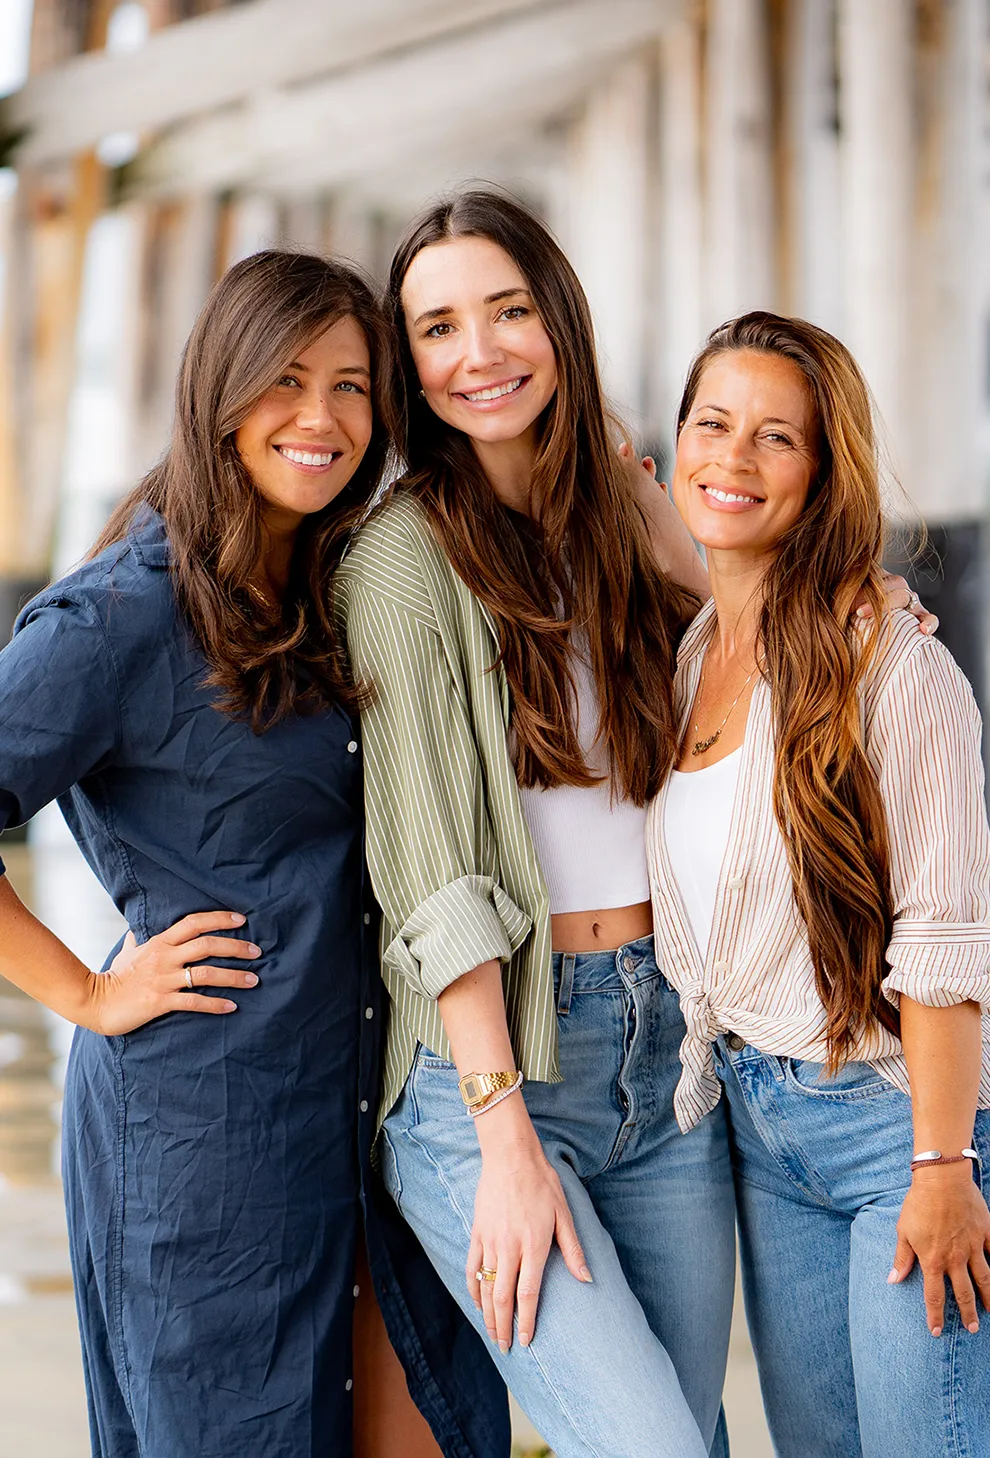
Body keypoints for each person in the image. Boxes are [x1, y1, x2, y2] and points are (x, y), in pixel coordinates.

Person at [0, 250, 501, 1458]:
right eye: (285, 379)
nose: (322, 418)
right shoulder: (120, 616)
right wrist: (89, 990)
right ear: (217, 390)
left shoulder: (340, 589)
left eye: (353, 384)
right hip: (206, 1143)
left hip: (368, 1120)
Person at [647, 311, 990, 1458]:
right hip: (754, 1126)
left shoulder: (898, 665)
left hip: (895, 1123)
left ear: (824, 468)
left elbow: (946, 939)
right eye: (712, 423)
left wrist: (945, 1166)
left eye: (776, 438)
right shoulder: (692, 655)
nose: (733, 460)